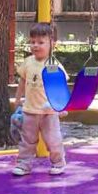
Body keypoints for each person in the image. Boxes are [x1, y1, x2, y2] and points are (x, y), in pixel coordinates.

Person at [12, 22, 67, 176]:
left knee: (53, 140)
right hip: (29, 110)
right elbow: (22, 81)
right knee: (27, 141)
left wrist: (62, 106)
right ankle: (23, 164)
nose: (35, 45)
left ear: (52, 44)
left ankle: (58, 162)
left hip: (49, 112)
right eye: (33, 42)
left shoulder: (54, 65)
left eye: (41, 42)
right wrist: (17, 99)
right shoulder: (28, 62)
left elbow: (60, 88)